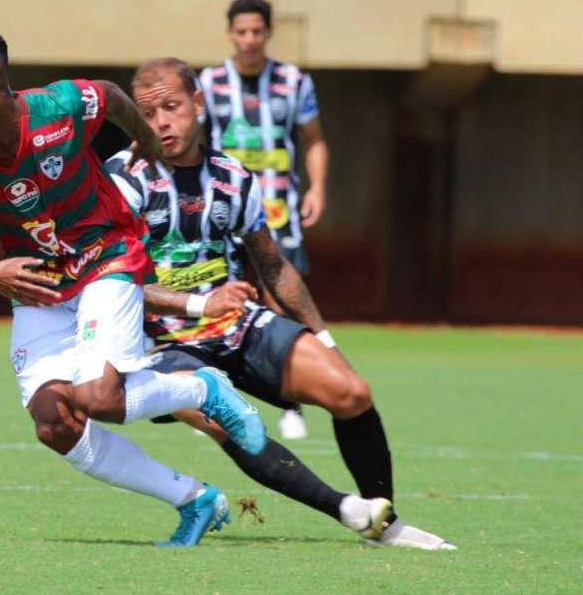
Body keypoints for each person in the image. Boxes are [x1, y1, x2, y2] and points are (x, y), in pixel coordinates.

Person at [0, 21, 265, 547]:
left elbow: (108, 96)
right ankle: (194, 499)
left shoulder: (58, 107)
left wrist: (146, 141)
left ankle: (205, 388)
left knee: (100, 398)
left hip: (106, 255)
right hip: (38, 284)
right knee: (53, 423)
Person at [106, 57, 455, 551]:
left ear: (199, 104)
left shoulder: (232, 176)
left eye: (171, 106)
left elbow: (273, 267)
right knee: (228, 422)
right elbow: (110, 281)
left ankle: (384, 520)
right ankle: (345, 510)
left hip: (236, 325)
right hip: (158, 344)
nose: (161, 122)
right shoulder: (122, 180)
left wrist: (324, 336)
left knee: (352, 392)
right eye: (147, 113)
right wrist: (199, 303)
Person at [199, 0, 329, 440]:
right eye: (241, 31)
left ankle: (292, 405)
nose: (249, 39)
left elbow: (313, 140)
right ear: (230, 33)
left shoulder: (294, 82)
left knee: (282, 303)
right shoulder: (211, 81)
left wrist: (318, 188)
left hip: (279, 209)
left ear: (269, 31)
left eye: (257, 31)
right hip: (222, 210)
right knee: (216, 301)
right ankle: (211, 402)